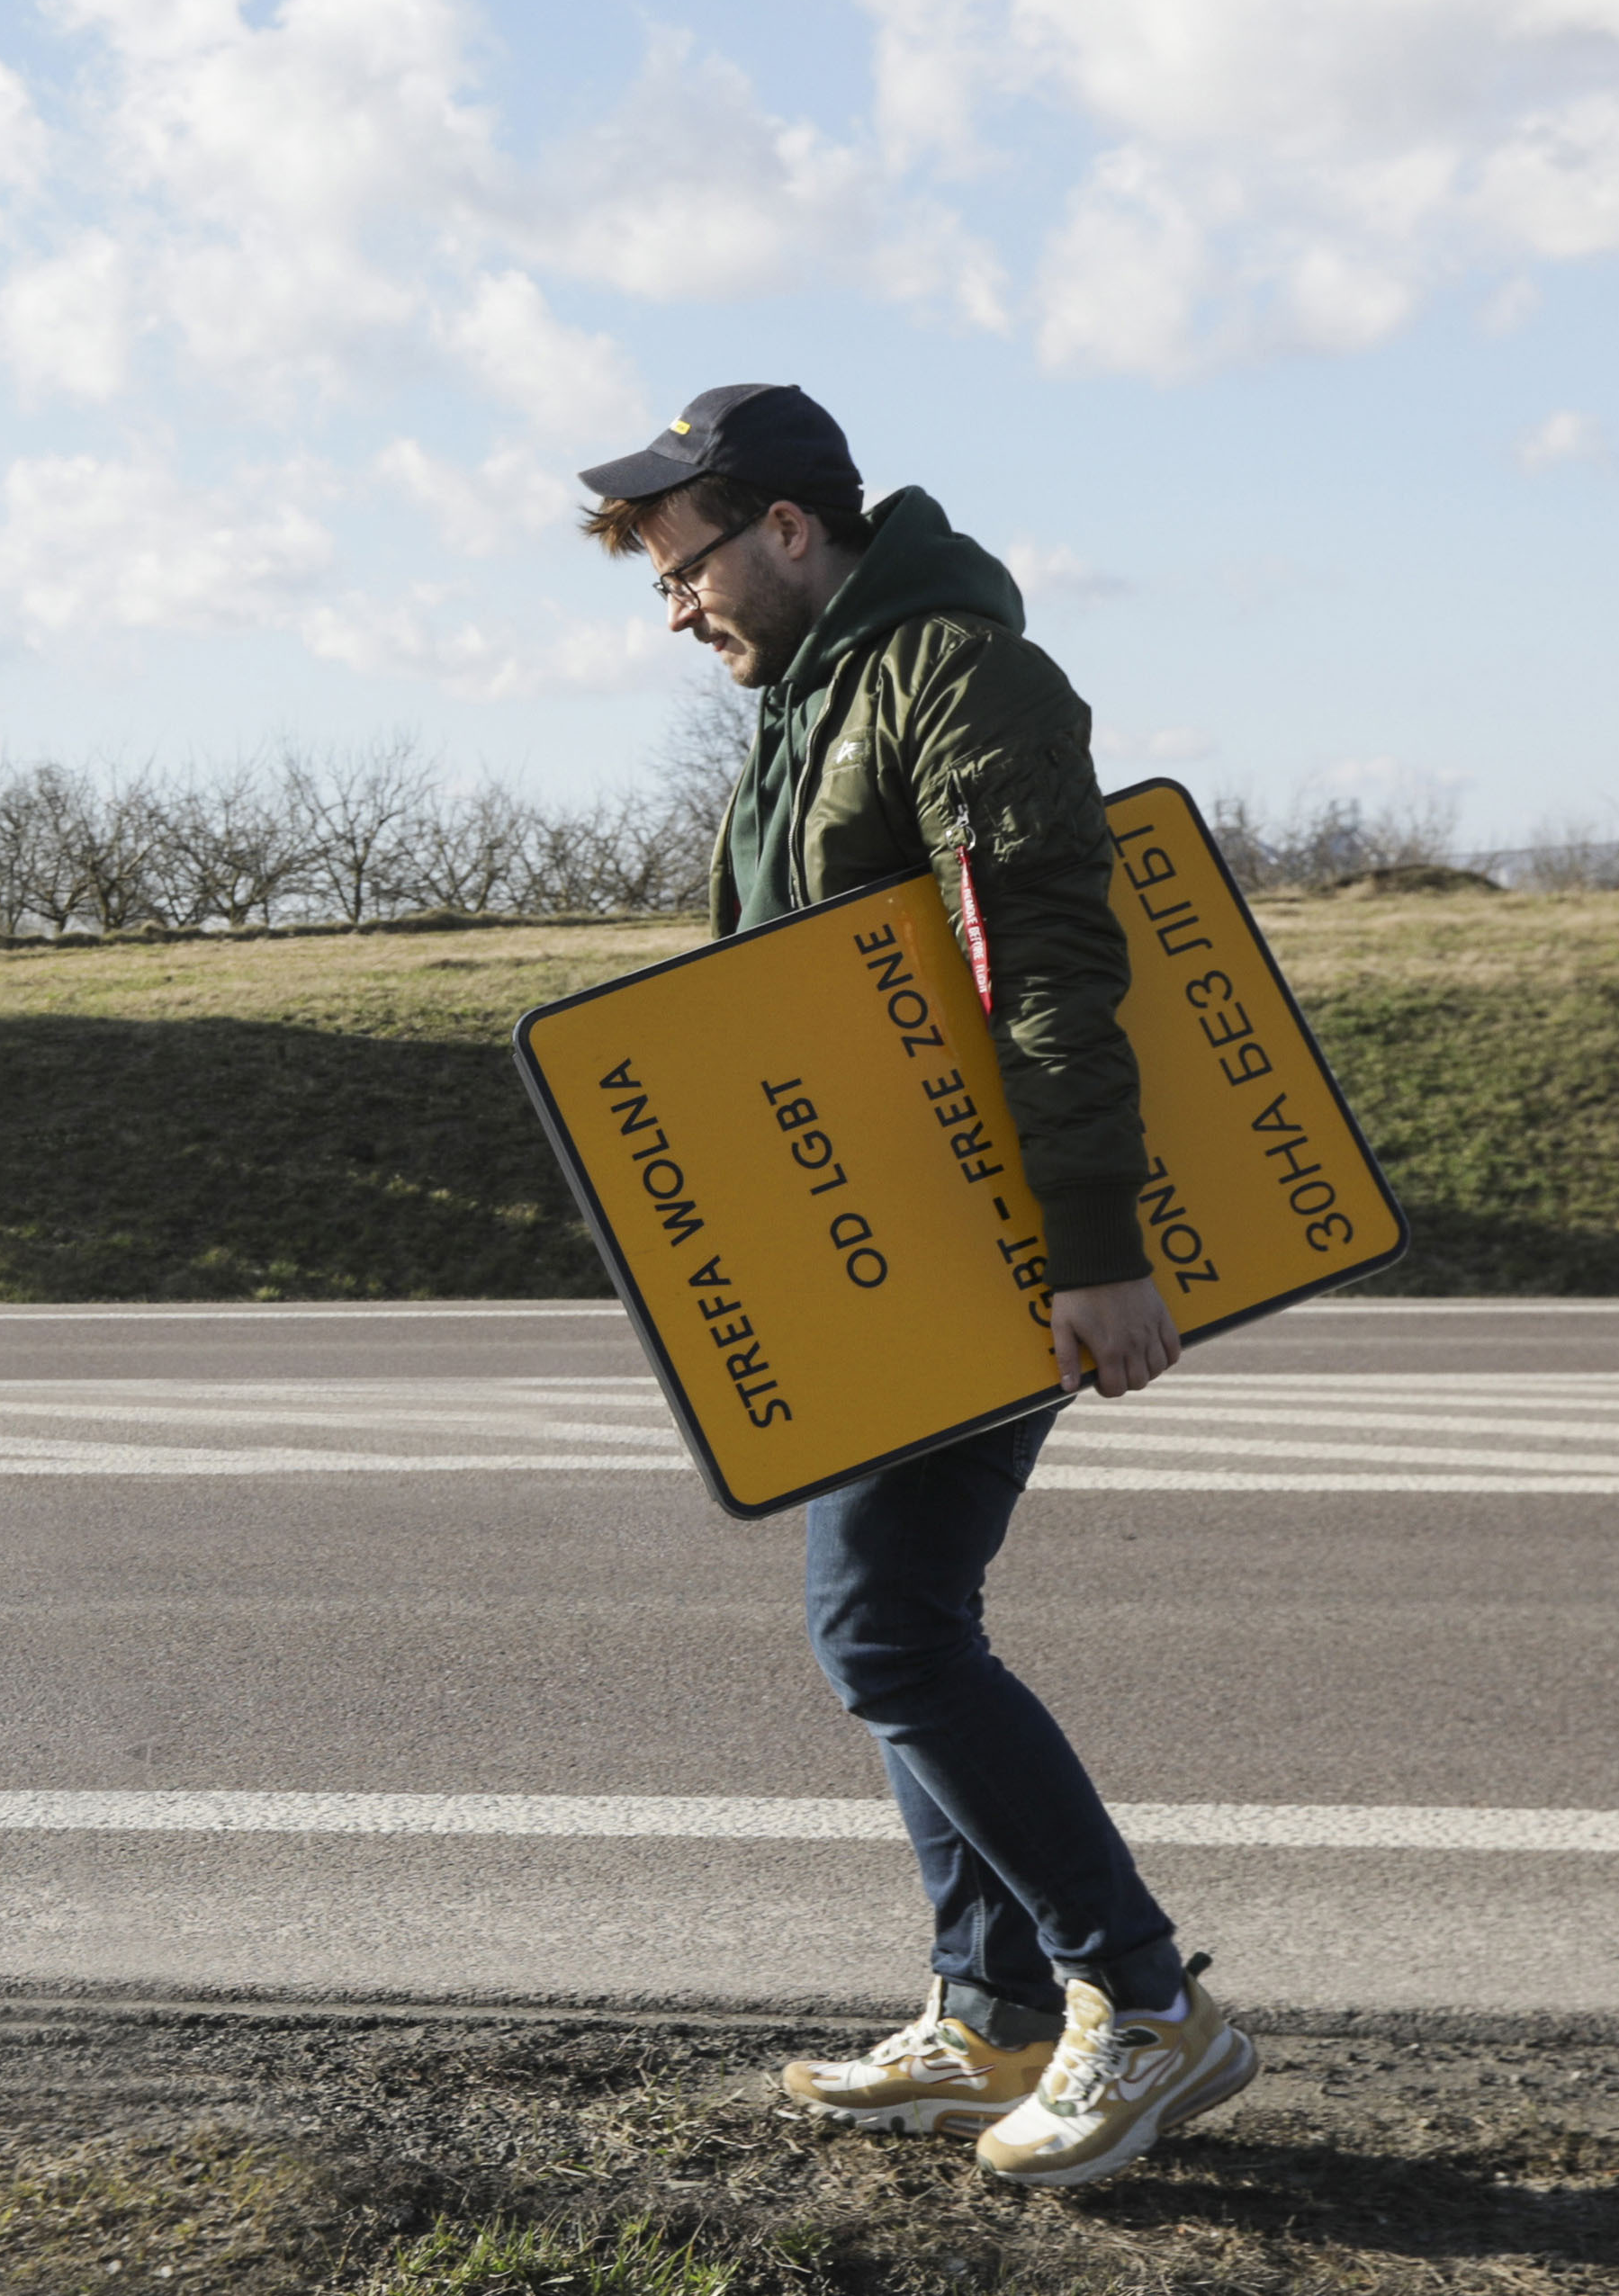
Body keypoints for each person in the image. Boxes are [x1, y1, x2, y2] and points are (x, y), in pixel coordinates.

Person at [573, 382, 1255, 2190]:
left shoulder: (955, 676)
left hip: (997, 1250)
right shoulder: (816, 708)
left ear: (790, 527)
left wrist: (1093, 1250)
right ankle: (996, 2011)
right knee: (894, 1625)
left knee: (885, 1628)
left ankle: (1144, 2004)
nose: (676, 607)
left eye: (684, 563)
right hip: (885, 1266)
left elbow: (1045, 961)